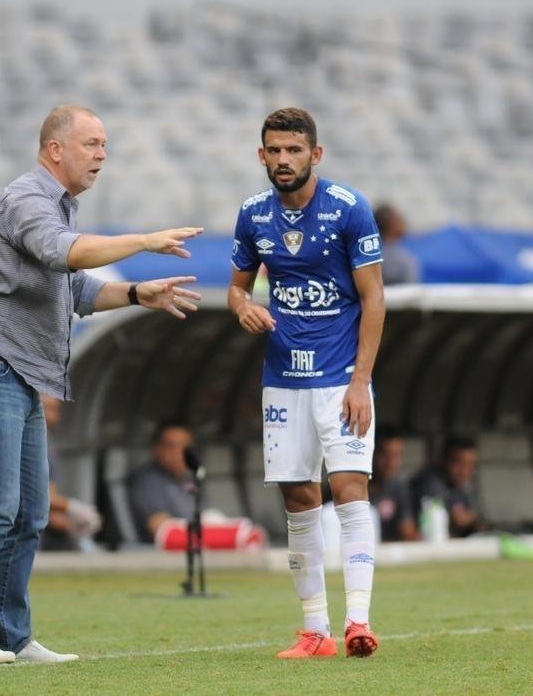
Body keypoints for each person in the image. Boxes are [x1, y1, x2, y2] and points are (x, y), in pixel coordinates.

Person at [0, 104, 203, 667]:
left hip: (19, 373)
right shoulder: (27, 200)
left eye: (105, 144)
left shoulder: (55, 209)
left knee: (31, 511)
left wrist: (137, 295)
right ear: (55, 149)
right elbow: (67, 253)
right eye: (92, 143)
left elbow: (75, 291)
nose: (102, 154)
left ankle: (8, 637)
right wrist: (143, 241)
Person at [228, 107, 385, 659]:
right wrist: (244, 307)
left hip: (341, 377)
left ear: (315, 155)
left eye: (294, 150)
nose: (283, 160)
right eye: (274, 150)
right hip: (283, 379)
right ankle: (314, 629)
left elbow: (373, 298)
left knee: (349, 488)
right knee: (299, 497)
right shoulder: (253, 215)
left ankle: (358, 622)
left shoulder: (348, 208)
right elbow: (236, 290)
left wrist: (361, 380)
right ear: (262, 156)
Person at [39, 394, 102, 551]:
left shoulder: (48, 442)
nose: (50, 415)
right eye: (45, 408)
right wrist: (74, 508)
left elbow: (48, 496)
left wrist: (69, 524)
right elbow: (39, 494)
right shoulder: (30, 441)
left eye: (55, 409)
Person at [126, 422, 196, 543]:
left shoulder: (189, 479)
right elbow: (160, 528)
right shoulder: (147, 481)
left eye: (186, 447)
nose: (179, 453)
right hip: (164, 554)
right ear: (157, 449)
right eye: (172, 446)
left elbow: (206, 515)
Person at [409, 435, 484, 538]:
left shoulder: (460, 486)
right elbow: (457, 520)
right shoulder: (430, 482)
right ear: (443, 460)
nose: (465, 471)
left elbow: (475, 521)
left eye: (471, 464)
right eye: (459, 463)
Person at [369, 427, 419, 542]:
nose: (391, 462)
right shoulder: (352, 486)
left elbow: (408, 532)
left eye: (397, 455)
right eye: (385, 454)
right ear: (371, 452)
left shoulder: (400, 488)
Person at [374, 203, 421, 285]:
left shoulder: (367, 254)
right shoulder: (405, 261)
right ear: (393, 225)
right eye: (399, 219)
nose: (404, 222)